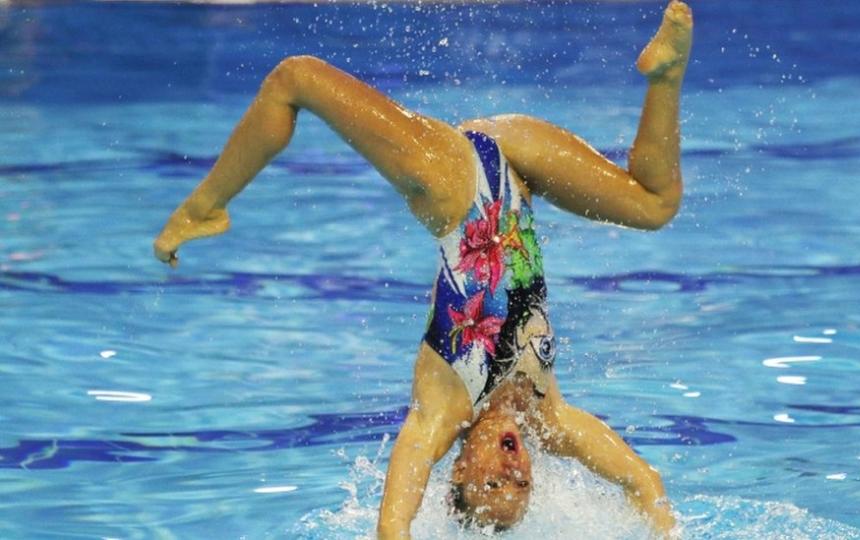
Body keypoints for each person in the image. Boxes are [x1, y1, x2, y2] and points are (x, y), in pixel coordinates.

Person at [153, 1, 693, 538]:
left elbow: (393, 528)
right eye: (522, 488)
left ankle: (203, 208)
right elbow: (645, 482)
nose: (513, 473)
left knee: (295, 79)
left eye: (491, 487)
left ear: (456, 469)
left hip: (453, 185)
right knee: (656, 204)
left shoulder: (440, 411)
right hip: (518, 167)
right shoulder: (548, 417)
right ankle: (666, 70)